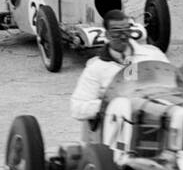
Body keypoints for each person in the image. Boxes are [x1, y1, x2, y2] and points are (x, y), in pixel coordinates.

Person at [69, 9, 169, 144]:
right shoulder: (96, 68)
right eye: (117, 32)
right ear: (107, 35)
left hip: (154, 124)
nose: (123, 37)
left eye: (126, 31)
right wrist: (109, 103)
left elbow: (172, 81)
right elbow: (77, 107)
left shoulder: (152, 54)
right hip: (114, 135)